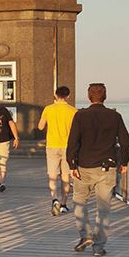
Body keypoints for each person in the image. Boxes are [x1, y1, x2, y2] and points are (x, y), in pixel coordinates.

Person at [67, 83, 129, 257]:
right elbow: (126, 142)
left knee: (79, 202)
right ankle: (98, 247)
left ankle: (85, 235)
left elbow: (72, 142)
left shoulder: (80, 116)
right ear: (105, 96)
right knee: (103, 209)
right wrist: (124, 162)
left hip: (83, 167)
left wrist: (71, 164)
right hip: (107, 167)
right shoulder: (115, 116)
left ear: (89, 97)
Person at [38, 86, 78, 216]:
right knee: (66, 176)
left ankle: (54, 199)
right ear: (68, 96)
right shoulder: (73, 111)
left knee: (52, 175)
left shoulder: (48, 109)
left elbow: (40, 126)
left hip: (52, 145)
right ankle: (64, 204)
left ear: (55, 95)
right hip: (68, 147)